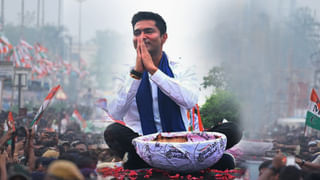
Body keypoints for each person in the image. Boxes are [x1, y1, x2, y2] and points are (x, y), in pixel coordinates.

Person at [104, 11, 242, 170]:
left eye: (148, 31)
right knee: (112, 131)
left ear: (164, 37)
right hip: (144, 145)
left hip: (184, 144)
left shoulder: (182, 70)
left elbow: (189, 100)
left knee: (233, 129)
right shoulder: (124, 74)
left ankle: (151, 161)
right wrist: (137, 74)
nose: (142, 37)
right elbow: (115, 112)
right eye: (137, 33)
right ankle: (183, 161)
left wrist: (153, 71)